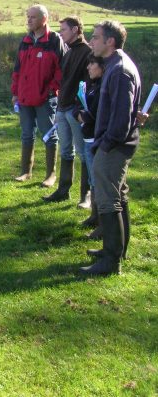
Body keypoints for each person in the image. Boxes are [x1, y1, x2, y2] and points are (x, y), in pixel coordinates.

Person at [80, 20, 141, 276]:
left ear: (110, 41)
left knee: (108, 200)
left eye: (95, 37)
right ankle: (116, 251)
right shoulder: (116, 65)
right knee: (119, 196)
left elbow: (121, 118)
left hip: (114, 146)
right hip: (114, 143)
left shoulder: (119, 70)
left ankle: (110, 261)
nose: (91, 41)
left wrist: (103, 145)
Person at [11, 4, 65, 187]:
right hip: (24, 98)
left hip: (45, 99)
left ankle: (51, 175)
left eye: (32, 17)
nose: (29, 20)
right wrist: (15, 93)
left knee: (50, 135)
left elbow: (61, 70)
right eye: (28, 17)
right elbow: (17, 69)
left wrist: (50, 90)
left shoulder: (55, 40)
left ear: (44, 19)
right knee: (27, 134)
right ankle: (25, 171)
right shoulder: (25, 41)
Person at [43, 16, 92, 206]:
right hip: (62, 108)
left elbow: (88, 85)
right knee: (65, 151)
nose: (60, 32)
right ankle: (63, 190)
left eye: (63, 29)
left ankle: (85, 196)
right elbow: (63, 80)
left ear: (75, 30)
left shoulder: (87, 52)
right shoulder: (69, 52)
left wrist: (78, 109)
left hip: (75, 110)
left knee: (83, 152)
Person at [73, 55, 104, 239]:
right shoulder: (90, 85)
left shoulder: (102, 88)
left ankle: (101, 222)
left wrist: (85, 116)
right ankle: (94, 216)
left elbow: (96, 113)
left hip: (95, 139)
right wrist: (79, 114)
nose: (89, 67)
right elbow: (79, 104)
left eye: (92, 64)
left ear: (102, 67)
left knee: (98, 182)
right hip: (86, 139)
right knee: (93, 180)